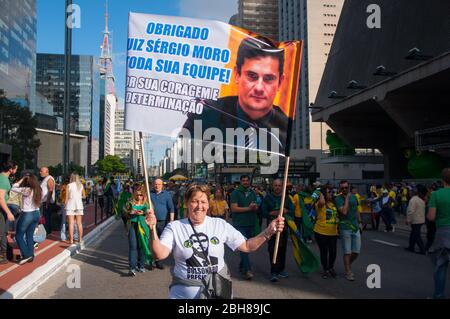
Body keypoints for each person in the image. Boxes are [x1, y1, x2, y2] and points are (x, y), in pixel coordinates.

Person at [145, 183, 285, 299]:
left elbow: (247, 246)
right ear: (187, 203)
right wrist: (152, 230)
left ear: (208, 205)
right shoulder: (175, 227)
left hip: (218, 292)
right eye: (194, 201)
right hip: (183, 294)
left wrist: (268, 231)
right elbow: (159, 254)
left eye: (203, 202)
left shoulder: (219, 224)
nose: (199, 206)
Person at [182, 37, 289, 153]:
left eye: (268, 79)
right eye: (252, 76)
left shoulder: (287, 126)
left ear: (280, 82)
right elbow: (183, 151)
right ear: (237, 74)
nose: (259, 88)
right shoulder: (205, 113)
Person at [261, 179, 294, 282]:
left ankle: (281, 270)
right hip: (272, 228)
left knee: (282, 250)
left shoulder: (286, 198)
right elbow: (264, 211)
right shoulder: (268, 198)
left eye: (279, 185)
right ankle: (273, 272)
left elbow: (292, 210)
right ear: (272, 186)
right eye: (275, 185)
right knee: (273, 250)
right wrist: (276, 212)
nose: (277, 187)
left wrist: (286, 211)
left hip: (283, 228)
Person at [230, 175, 259, 280]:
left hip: (251, 223)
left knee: (248, 247)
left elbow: (255, 206)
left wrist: (255, 207)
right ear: (240, 182)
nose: (246, 182)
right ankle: (247, 270)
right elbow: (234, 209)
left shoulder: (252, 193)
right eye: (244, 181)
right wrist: (249, 208)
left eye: (247, 181)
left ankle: (242, 266)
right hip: (239, 224)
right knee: (244, 247)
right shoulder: (235, 193)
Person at [427, 168, 450, 299]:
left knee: (441, 265)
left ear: (442, 180)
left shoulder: (436, 194)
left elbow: (431, 216)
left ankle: (439, 295)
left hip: (443, 232)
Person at [10, 174, 42, 264]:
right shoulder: (39, 189)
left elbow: (13, 187)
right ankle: (31, 256)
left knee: (19, 235)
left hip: (27, 214)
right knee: (29, 235)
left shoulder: (27, 190)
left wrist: (22, 178)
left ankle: (26, 255)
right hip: (36, 213)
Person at [123, 185, 153, 276]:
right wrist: (130, 212)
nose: (139, 197)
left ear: (144, 195)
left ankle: (141, 265)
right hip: (132, 225)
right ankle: (132, 268)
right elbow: (124, 213)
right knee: (133, 246)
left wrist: (145, 212)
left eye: (141, 195)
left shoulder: (148, 203)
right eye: (137, 195)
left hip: (143, 227)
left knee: (142, 245)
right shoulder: (130, 202)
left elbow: (151, 214)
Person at [335, 180, 361, 281]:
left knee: (356, 251)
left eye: (346, 187)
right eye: (342, 188)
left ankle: (347, 264)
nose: (345, 189)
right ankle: (348, 272)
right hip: (345, 228)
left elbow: (356, 210)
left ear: (349, 187)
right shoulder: (338, 199)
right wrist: (346, 198)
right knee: (347, 252)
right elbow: (344, 212)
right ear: (340, 189)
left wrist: (360, 222)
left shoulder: (354, 197)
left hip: (355, 227)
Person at [314, 185, 339, 279]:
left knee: (333, 252)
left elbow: (336, 216)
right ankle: (325, 269)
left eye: (332, 192)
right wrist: (321, 192)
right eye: (329, 192)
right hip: (321, 232)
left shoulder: (333, 204)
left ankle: (330, 267)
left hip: (333, 233)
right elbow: (322, 201)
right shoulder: (320, 204)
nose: (331, 194)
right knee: (324, 252)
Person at [150, 178, 175, 269]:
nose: (157, 186)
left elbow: (171, 208)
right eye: (155, 184)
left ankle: (158, 259)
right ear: (153, 185)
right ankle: (153, 260)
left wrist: (171, 221)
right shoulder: (150, 194)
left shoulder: (167, 195)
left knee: (160, 241)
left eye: (159, 184)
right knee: (151, 240)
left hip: (162, 221)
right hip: (151, 222)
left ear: (162, 185)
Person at [0, 161, 18, 264]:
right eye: (15, 168)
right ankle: (3, 256)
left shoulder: (3, 178)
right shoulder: (3, 180)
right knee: (2, 232)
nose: (16, 170)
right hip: (1, 209)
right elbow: (1, 198)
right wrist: (8, 212)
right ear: (11, 169)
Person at [405, 184, 427, 254]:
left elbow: (410, 211)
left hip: (415, 220)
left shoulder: (413, 200)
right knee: (413, 234)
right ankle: (411, 246)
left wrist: (408, 220)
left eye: (411, 191)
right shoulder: (421, 199)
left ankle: (422, 250)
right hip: (421, 219)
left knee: (417, 235)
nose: (409, 192)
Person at [65, 173, 85, 245]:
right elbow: (84, 196)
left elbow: (66, 198)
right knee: (79, 223)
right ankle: (80, 239)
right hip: (79, 205)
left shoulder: (69, 185)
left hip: (70, 205)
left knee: (71, 223)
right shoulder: (81, 185)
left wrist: (65, 206)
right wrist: (78, 197)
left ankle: (71, 240)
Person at [39, 167, 56, 235]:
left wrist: (47, 202)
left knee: (46, 217)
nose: (40, 172)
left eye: (41, 171)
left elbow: (51, 190)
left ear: (46, 172)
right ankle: (47, 231)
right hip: (45, 201)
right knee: (45, 217)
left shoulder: (49, 179)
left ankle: (47, 231)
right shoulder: (46, 179)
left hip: (47, 201)